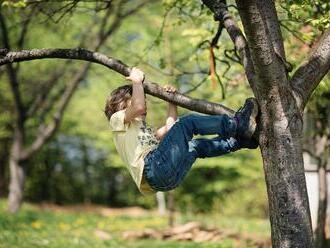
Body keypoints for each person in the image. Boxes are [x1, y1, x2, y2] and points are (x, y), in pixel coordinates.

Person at [105, 68, 259, 194]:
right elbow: (139, 107)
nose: (143, 102)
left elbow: (171, 129)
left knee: (194, 147)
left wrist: (172, 100)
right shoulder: (117, 120)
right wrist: (137, 81)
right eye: (137, 97)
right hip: (154, 168)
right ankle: (238, 124)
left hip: (164, 180)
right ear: (121, 104)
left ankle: (238, 141)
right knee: (188, 123)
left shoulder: (141, 131)